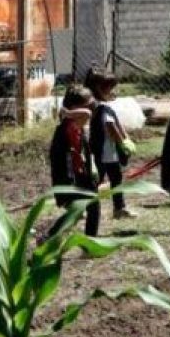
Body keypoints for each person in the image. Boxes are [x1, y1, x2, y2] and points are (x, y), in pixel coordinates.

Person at [85, 67, 137, 220]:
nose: (113, 91)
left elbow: (117, 125)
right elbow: (111, 127)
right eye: (111, 88)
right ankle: (84, 206)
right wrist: (123, 143)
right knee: (99, 181)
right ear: (100, 89)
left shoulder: (101, 107)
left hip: (109, 153)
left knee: (116, 179)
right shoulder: (101, 108)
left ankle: (119, 208)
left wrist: (126, 138)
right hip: (104, 153)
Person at [48, 86, 100, 236]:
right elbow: (87, 113)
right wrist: (67, 112)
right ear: (74, 107)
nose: (91, 108)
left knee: (92, 206)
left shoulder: (76, 123)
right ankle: (48, 237)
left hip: (81, 173)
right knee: (77, 212)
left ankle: (90, 241)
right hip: (69, 177)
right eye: (88, 104)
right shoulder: (68, 124)